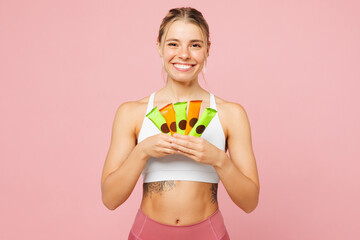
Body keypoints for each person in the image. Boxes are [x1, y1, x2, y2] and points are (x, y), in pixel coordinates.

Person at [101, 7, 260, 240]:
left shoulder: (231, 114)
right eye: (173, 44)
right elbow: (110, 199)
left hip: (209, 234)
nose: (184, 54)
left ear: (207, 49)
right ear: (159, 46)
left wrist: (216, 158)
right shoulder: (131, 113)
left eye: (195, 45)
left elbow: (250, 202)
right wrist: (143, 151)